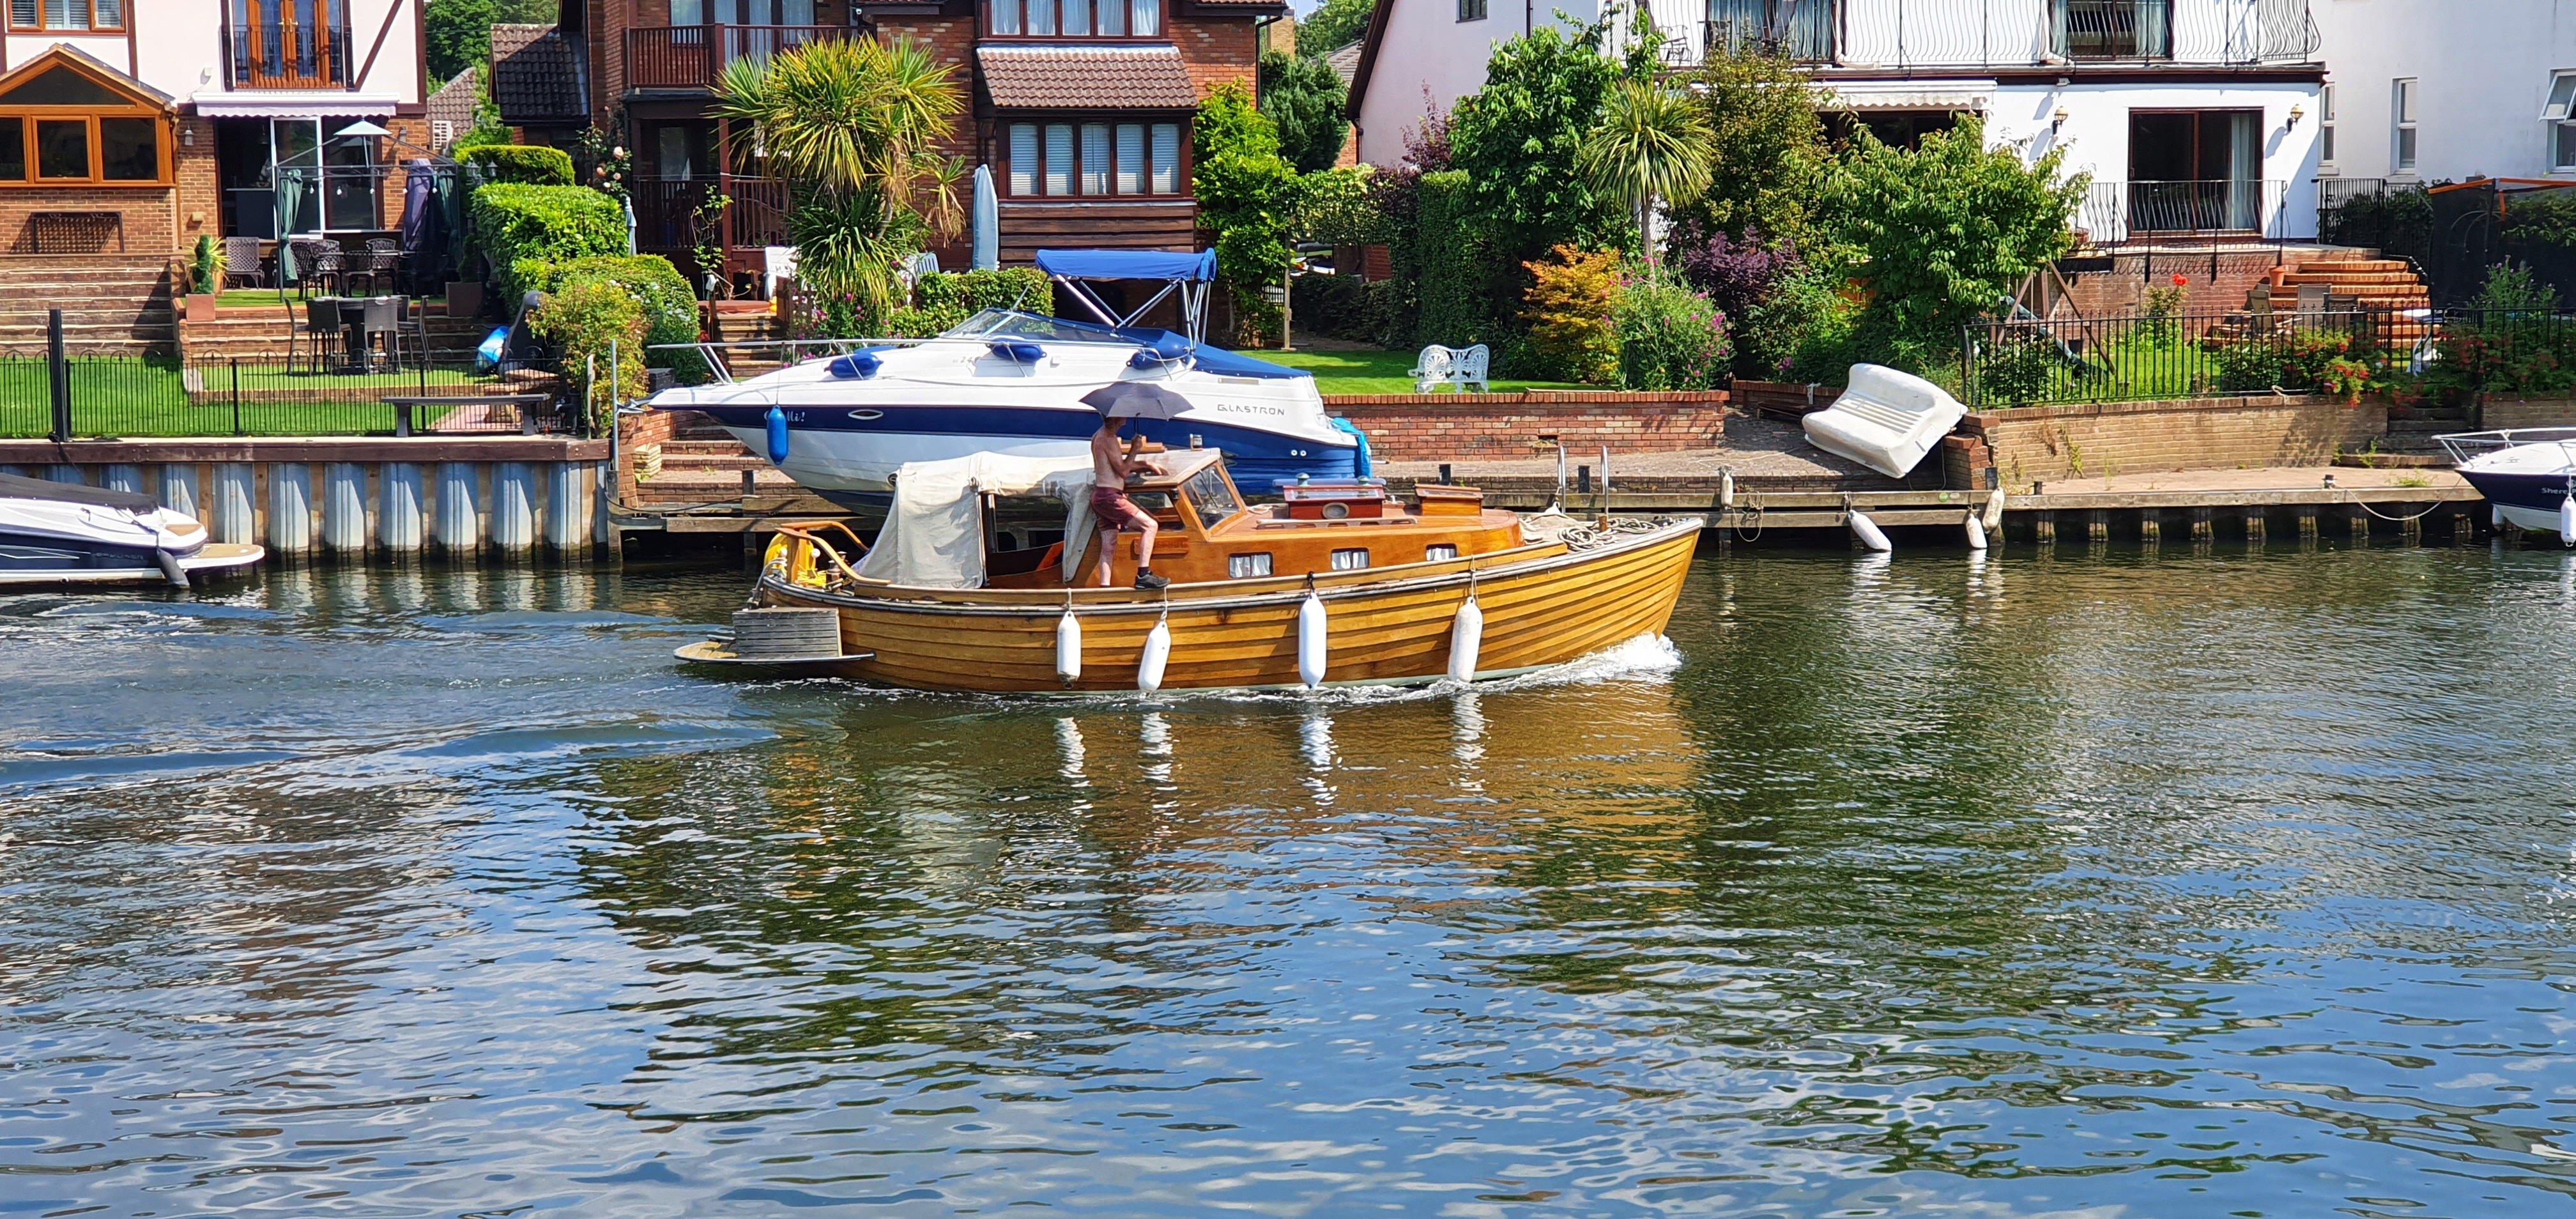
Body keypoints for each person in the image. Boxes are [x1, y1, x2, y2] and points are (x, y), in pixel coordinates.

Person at [1090, 414, 1169, 590]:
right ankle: (1143, 575)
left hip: (1100, 495)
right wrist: (1135, 449)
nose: (1127, 417)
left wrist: (1146, 465)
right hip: (1110, 497)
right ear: (1116, 417)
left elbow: (1116, 465)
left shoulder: (1099, 436)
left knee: (1109, 545)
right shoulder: (1108, 439)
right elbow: (1124, 471)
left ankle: (1105, 590)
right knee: (1150, 526)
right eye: (1124, 415)